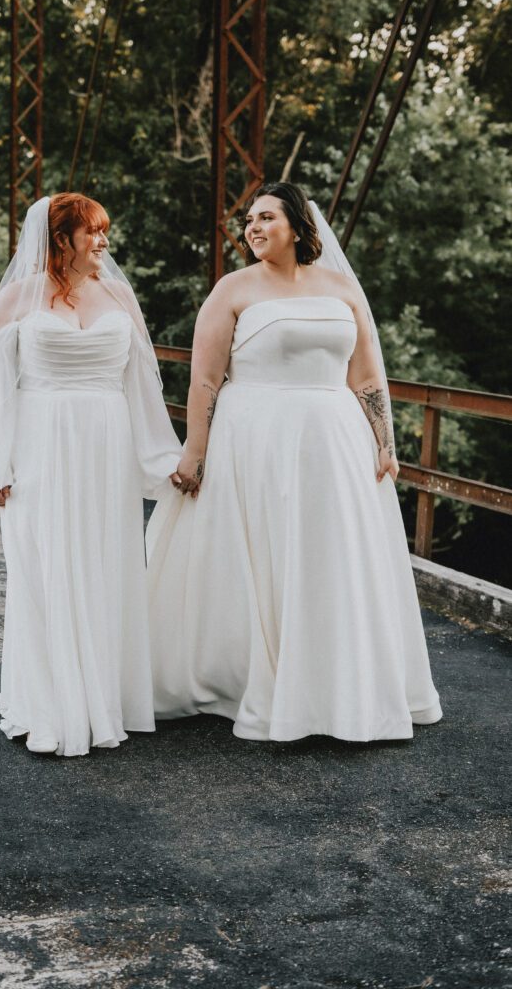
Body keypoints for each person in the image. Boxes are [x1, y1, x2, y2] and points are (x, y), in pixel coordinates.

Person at [147, 182, 442, 743]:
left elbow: (366, 375)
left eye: (265, 217)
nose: (253, 228)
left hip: (333, 439)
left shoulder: (341, 289)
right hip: (254, 437)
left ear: (298, 226)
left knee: (330, 554)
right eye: (249, 220)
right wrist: (195, 449)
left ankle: (335, 684)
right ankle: (256, 678)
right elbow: (206, 379)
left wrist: (386, 441)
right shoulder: (232, 290)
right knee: (267, 553)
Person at [0, 193, 182, 756]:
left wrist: (163, 460)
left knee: (105, 562)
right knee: (47, 564)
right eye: (92, 232)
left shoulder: (118, 296)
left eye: (104, 231)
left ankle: (107, 696)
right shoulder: (16, 298)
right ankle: (54, 704)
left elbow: (141, 384)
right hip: (42, 445)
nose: (104, 242)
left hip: (106, 446)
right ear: (60, 239)